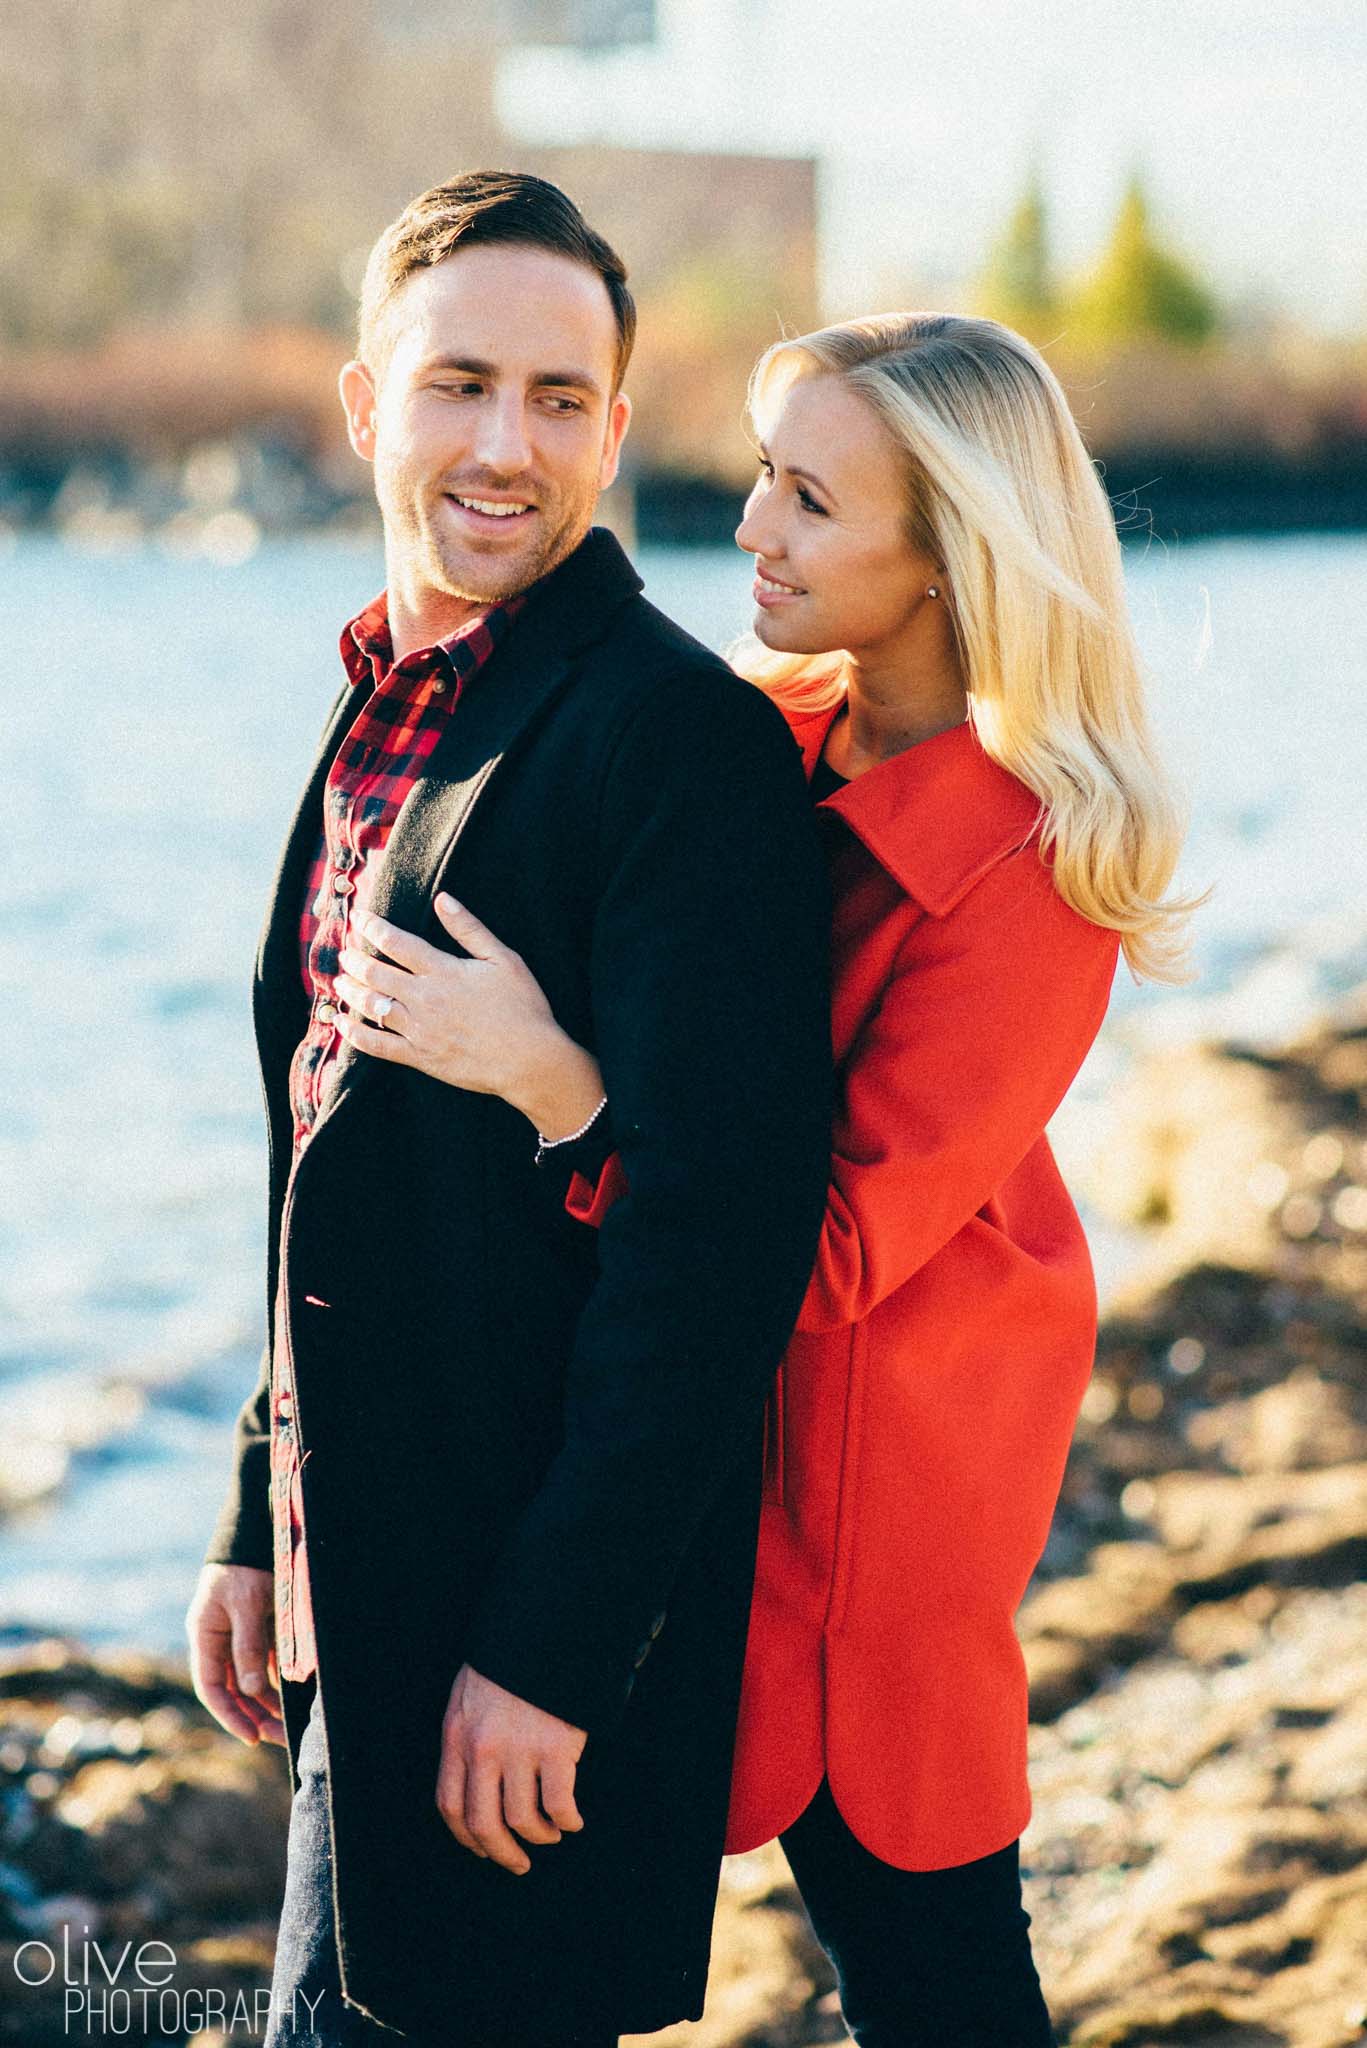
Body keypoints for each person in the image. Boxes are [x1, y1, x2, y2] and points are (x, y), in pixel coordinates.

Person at [364, 311, 1207, 2046]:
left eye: (811, 501)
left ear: (948, 559)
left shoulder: (1036, 873)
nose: (751, 527)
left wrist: (557, 1089)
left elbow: (808, 1250)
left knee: (929, 1959)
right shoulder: (756, 733)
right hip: (690, 1426)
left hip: (867, 1495)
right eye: (765, 475)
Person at [184, 170, 833, 2048]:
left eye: (561, 400)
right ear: (365, 401)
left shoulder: (676, 741)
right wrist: (251, 1504)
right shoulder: (385, 697)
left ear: (620, 429)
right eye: (460, 383)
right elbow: (329, 1150)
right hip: (351, 1603)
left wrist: (553, 1658)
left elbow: (718, 1254)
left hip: (511, 1658)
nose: (507, 445)